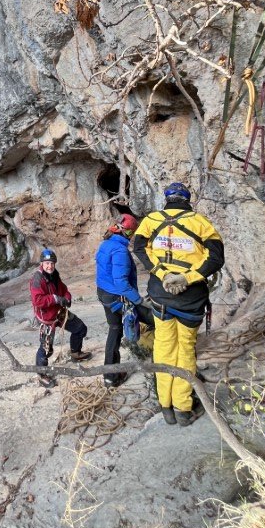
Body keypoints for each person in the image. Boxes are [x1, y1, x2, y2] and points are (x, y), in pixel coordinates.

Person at [133, 182, 224, 427]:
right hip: (190, 298)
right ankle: (183, 408)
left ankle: (166, 407)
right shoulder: (200, 222)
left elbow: (139, 248)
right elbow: (216, 258)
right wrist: (188, 277)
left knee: (163, 348)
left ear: (167, 200)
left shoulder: (151, 220)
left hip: (160, 296)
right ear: (187, 200)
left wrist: (162, 274)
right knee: (185, 350)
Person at [95, 214, 155, 388]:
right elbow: (121, 283)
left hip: (105, 294)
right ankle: (166, 363)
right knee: (155, 319)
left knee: (115, 329)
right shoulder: (120, 250)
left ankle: (110, 376)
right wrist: (141, 301)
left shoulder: (106, 244)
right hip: (118, 297)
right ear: (128, 232)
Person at [30, 247, 91, 388]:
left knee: (80, 328)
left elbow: (64, 289)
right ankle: (41, 374)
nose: (50, 266)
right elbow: (37, 301)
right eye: (47, 263)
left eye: (52, 263)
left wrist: (67, 298)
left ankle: (75, 353)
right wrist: (56, 299)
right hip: (47, 317)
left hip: (59, 313)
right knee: (46, 348)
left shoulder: (54, 275)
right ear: (42, 264)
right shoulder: (37, 280)